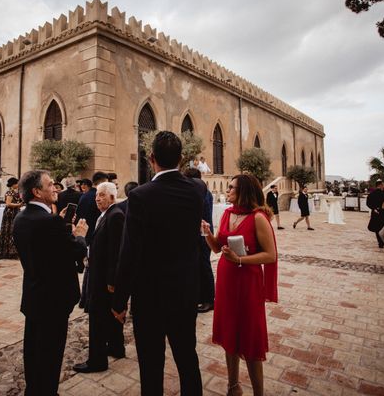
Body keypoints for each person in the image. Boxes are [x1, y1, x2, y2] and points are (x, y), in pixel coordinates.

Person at [112, 131, 206, 395]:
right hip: (185, 292)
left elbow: (129, 253)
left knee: (151, 365)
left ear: (151, 158)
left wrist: (119, 300)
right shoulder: (197, 190)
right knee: (188, 358)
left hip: (149, 296)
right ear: (182, 158)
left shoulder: (140, 196)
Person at [13, 170, 88, 396]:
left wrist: (62, 223)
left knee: (34, 352)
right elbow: (73, 250)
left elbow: (49, 249)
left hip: (34, 295)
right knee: (51, 355)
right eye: (50, 185)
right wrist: (80, 235)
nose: (55, 188)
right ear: (37, 191)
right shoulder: (49, 222)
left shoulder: (22, 218)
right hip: (54, 300)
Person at [202, 174, 278, 396]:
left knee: (250, 338)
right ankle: (233, 386)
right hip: (227, 281)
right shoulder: (227, 214)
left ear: (244, 191)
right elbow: (217, 248)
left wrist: (241, 260)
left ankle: (258, 392)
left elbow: (270, 255)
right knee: (229, 334)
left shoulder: (258, 218)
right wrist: (207, 234)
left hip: (248, 283)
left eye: (232, 188)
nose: (227, 191)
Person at [73, 182, 125, 373]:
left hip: (104, 278)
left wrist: (112, 281)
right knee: (109, 315)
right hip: (100, 274)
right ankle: (116, 347)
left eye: (102, 195)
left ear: (112, 197)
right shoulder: (105, 215)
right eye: (97, 195)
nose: (97, 198)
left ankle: (97, 360)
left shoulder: (116, 215)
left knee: (97, 318)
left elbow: (116, 252)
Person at [185, 167, 215, 313]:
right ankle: (201, 297)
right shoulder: (203, 191)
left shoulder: (201, 192)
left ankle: (209, 299)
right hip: (202, 234)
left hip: (203, 235)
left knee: (204, 266)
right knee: (199, 266)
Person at [77, 171, 109, 310]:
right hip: (94, 236)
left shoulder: (84, 196)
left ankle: (85, 299)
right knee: (92, 271)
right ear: (101, 182)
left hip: (84, 234)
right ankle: (90, 300)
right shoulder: (99, 197)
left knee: (88, 270)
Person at [0, 177, 23, 259]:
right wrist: (18, 205)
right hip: (10, 214)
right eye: (17, 183)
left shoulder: (15, 192)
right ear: (13, 184)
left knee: (13, 232)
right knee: (9, 231)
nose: (18, 185)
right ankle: (8, 251)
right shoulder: (10, 192)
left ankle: (13, 251)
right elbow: (8, 203)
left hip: (15, 212)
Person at [366, 180, 384, 248]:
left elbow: (368, 204)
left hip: (375, 213)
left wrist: (374, 208)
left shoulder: (371, 194)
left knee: (377, 229)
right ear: (380, 185)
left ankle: (380, 243)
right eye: (383, 184)